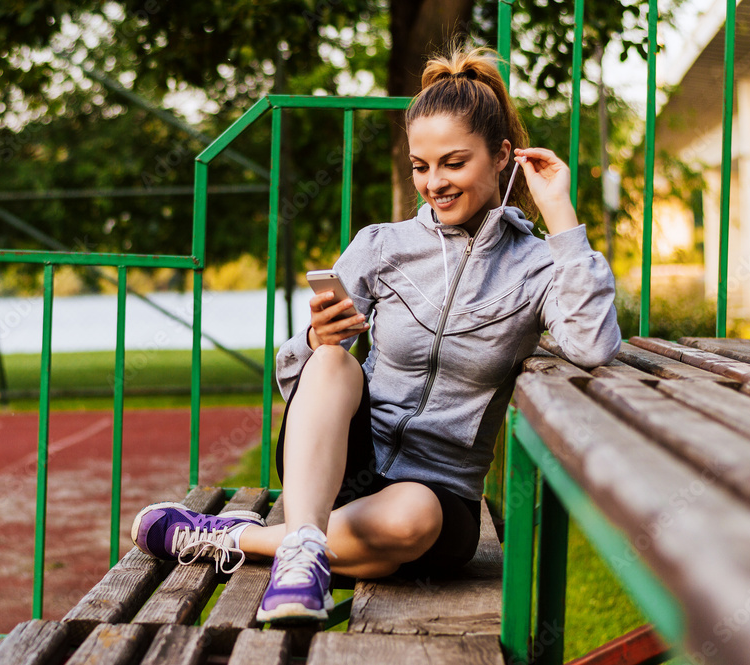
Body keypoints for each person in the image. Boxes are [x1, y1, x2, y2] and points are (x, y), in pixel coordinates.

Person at [130, 46, 622, 623]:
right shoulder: (382, 246)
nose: (434, 184)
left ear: (503, 158)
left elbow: (592, 344)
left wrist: (560, 215)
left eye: (454, 163)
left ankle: (242, 541)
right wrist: (315, 343)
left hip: (437, 496)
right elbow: (295, 377)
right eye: (421, 166)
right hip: (338, 469)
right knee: (336, 362)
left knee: (406, 526)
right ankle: (307, 546)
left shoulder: (540, 266)